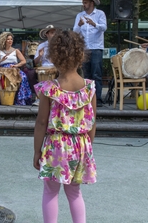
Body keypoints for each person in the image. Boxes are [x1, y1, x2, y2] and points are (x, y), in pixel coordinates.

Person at [33, 30, 97, 223]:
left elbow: (42, 122)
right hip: (81, 145)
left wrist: (37, 151)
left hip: (56, 146)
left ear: (54, 57)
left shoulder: (49, 88)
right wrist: (88, 146)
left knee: (51, 191)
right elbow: (92, 121)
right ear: (81, 56)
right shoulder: (89, 87)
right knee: (74, 193)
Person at [73, 0, 107, 106]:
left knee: (96, 73)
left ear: (91, 3)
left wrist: (94, 24)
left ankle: (97, 99)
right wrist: (79, 24)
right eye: (83, 2)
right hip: (85, 49)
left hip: (96, 47)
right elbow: (75, 32)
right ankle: (87, 98)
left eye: (85, 2)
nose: (83, 4)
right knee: (86, 74)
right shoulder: (80, 15)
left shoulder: (100, 14)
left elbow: (104, 27)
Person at [0, 32, 32, 106]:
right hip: (2, 70)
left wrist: (16, 65)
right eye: (8, 39)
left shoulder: (16, 50)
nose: (10, 41)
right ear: (4, 40)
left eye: (11, 39)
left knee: (23, 77)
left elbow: (23, 61)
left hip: (14, 69)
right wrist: (1, 60)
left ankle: (21, 99)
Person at [32, 24, 57, 106]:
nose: (54, 34)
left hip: (56, 68)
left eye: (54, 32)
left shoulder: (59, 45)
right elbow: (35, 62)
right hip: (43, 69)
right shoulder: (41, 46)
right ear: (47, 34)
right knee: (32, 74)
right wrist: (40, 55)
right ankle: (39, 98)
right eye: (52, 32)